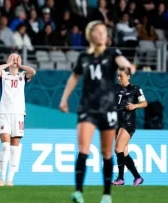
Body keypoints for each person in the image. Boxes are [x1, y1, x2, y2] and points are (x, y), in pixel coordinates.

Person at [59, 20, 136, 203]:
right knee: (83, 149)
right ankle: (78, 192)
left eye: (104, 31)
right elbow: (74, 77)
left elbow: (122, 62)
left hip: (108, 109)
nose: (102, 34)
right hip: (87, 108)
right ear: (90, 35)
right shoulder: (84, 57)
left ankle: (107, 195)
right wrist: (64, 99)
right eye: (98, 31)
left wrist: (128, 66)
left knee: (106, 153)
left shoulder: (112, 53)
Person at [0, 53, 36, 187]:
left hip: (18, 114)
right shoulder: (4, 75)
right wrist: (8, 64)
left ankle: (10, 180)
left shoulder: (22, 76)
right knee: (5, 146)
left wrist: (20, 65)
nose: (14, 59)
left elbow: (33, 71)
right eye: (12, 57)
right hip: (4, 112)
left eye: (17, 58)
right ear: (7, 60)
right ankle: (1, 178)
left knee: (14, 147)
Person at [112, 67, 147, 186]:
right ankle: (137, 177)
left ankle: (120, 178)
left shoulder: (135, 89)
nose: (119, 78)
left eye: (121, 76)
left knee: (117, 149)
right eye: (117, 76)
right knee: (123, 153)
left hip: (128, 124)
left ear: (128, 76)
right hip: (117, 123)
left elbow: (145, 103)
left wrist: (135, 106)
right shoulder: (115, 88)